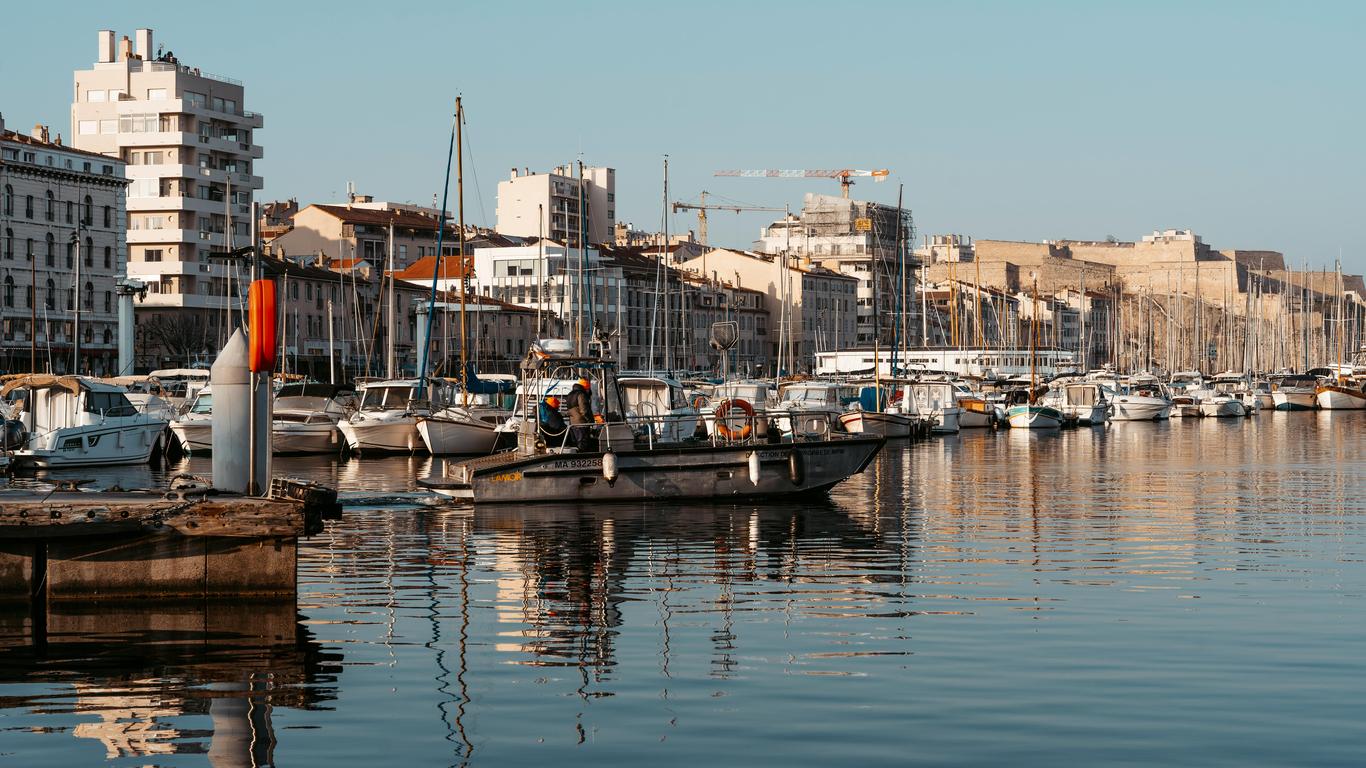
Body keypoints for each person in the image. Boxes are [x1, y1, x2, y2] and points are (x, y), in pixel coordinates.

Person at [566, 377, 595, 451]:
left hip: (573, 423)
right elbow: (584, 410)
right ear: (586, 387)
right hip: (582, 424)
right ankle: (584, 458)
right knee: (583, 444)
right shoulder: (581, 395)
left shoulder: (570, 394)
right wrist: (591, 421)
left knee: (577, 443)